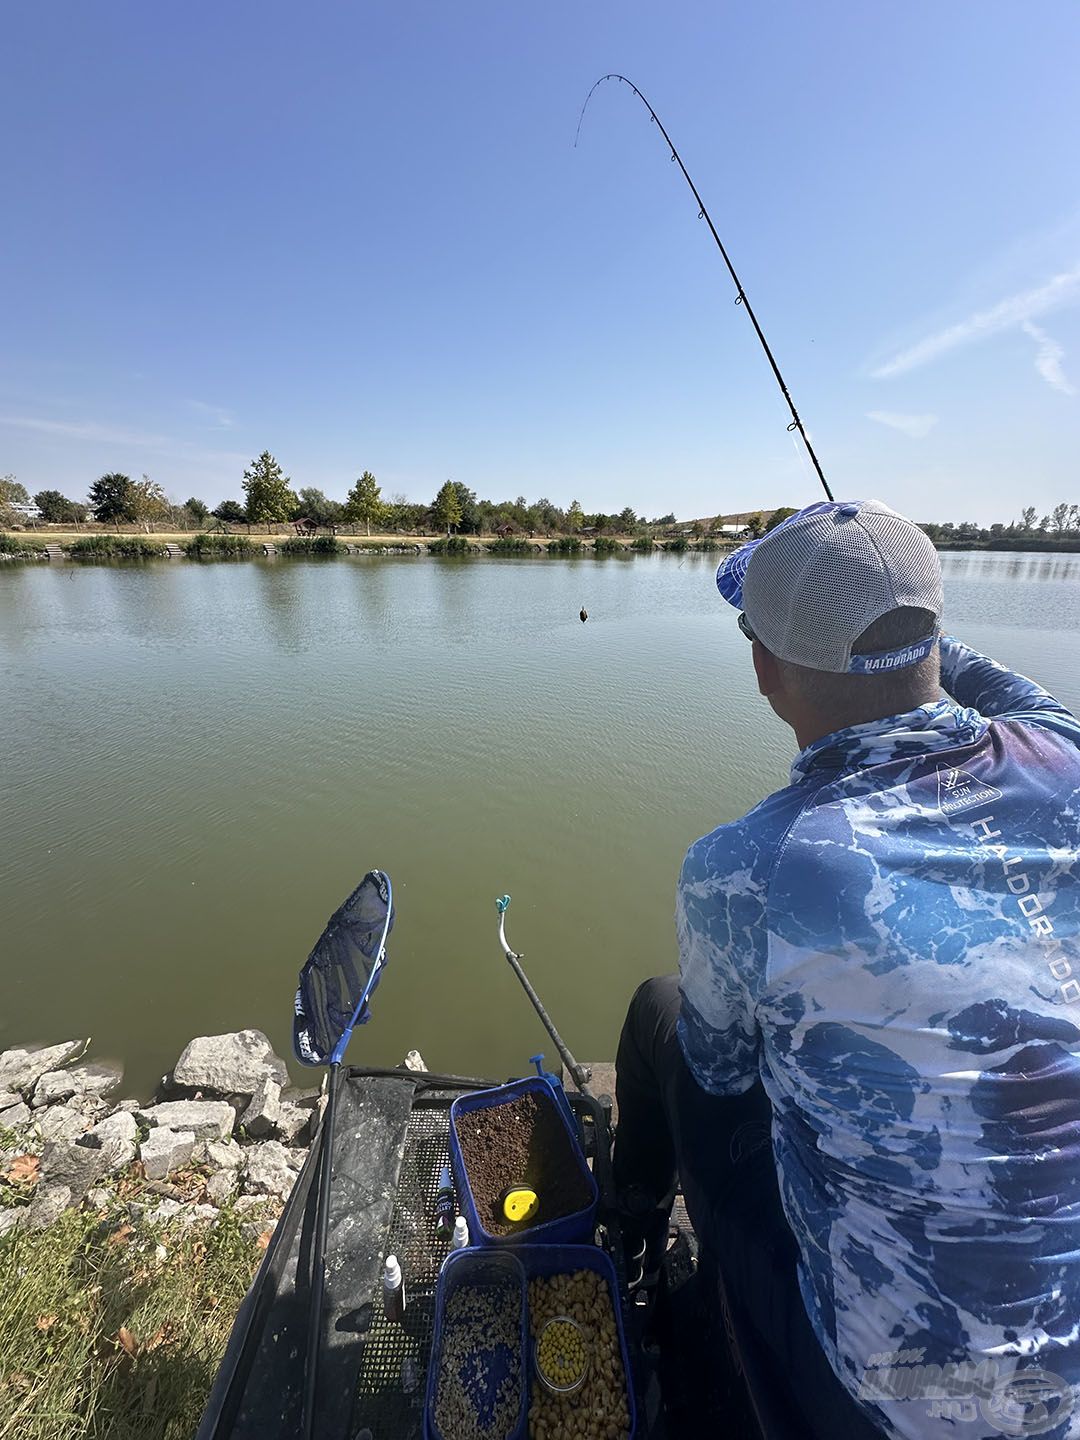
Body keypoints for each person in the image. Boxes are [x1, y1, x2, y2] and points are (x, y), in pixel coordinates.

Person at [613, 500, 1080, 1440]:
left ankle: (630, 1251)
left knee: (660, 1016)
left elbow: (721, 1072)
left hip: (890, 1399)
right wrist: (902, 636)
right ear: (937, 640)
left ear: (763, 671)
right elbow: (996, 687)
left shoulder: (748, 867)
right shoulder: (1062, 753)